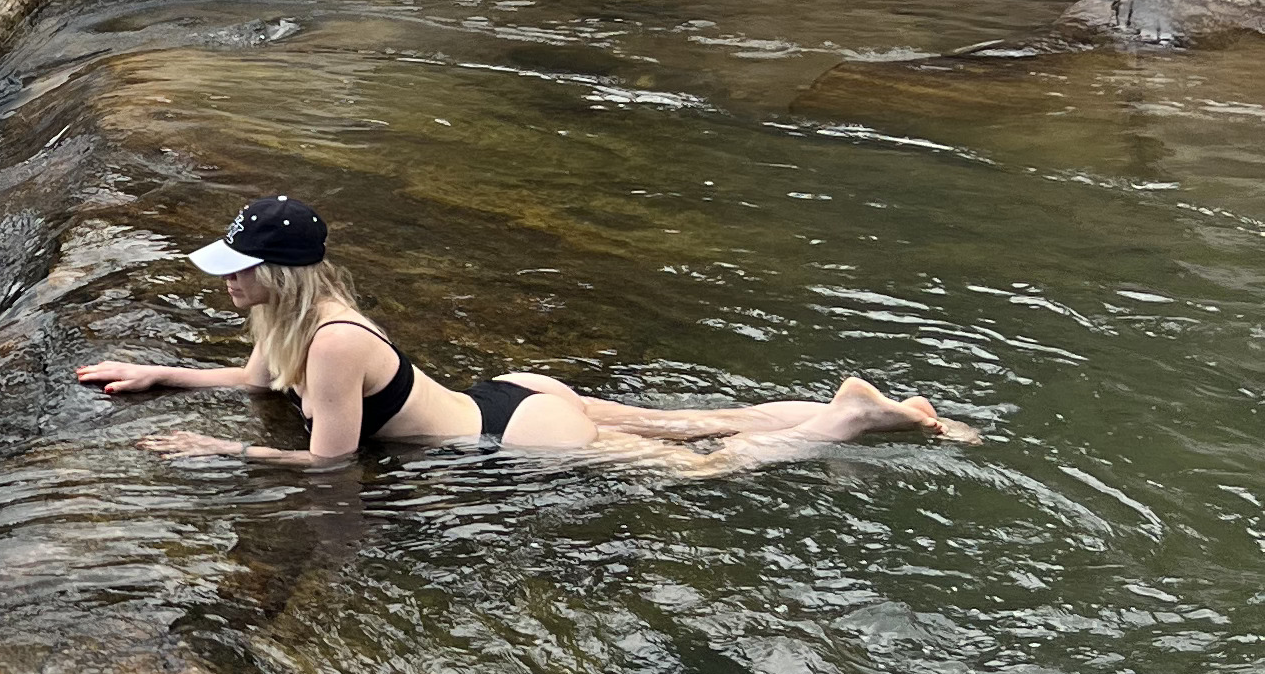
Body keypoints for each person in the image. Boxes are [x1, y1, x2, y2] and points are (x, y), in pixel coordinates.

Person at [74, 194, 978, 467]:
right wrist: (159, 372)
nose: (223, 283)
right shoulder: (299, 321)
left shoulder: (334, 341)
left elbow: (331, 461)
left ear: (270, 275)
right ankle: (864, 409)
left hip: (516, 432)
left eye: (234, 270)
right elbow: (267, 387)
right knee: (693, 416)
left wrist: (215, 451)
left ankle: (849, 424)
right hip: (513, 396)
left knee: (703, 458)